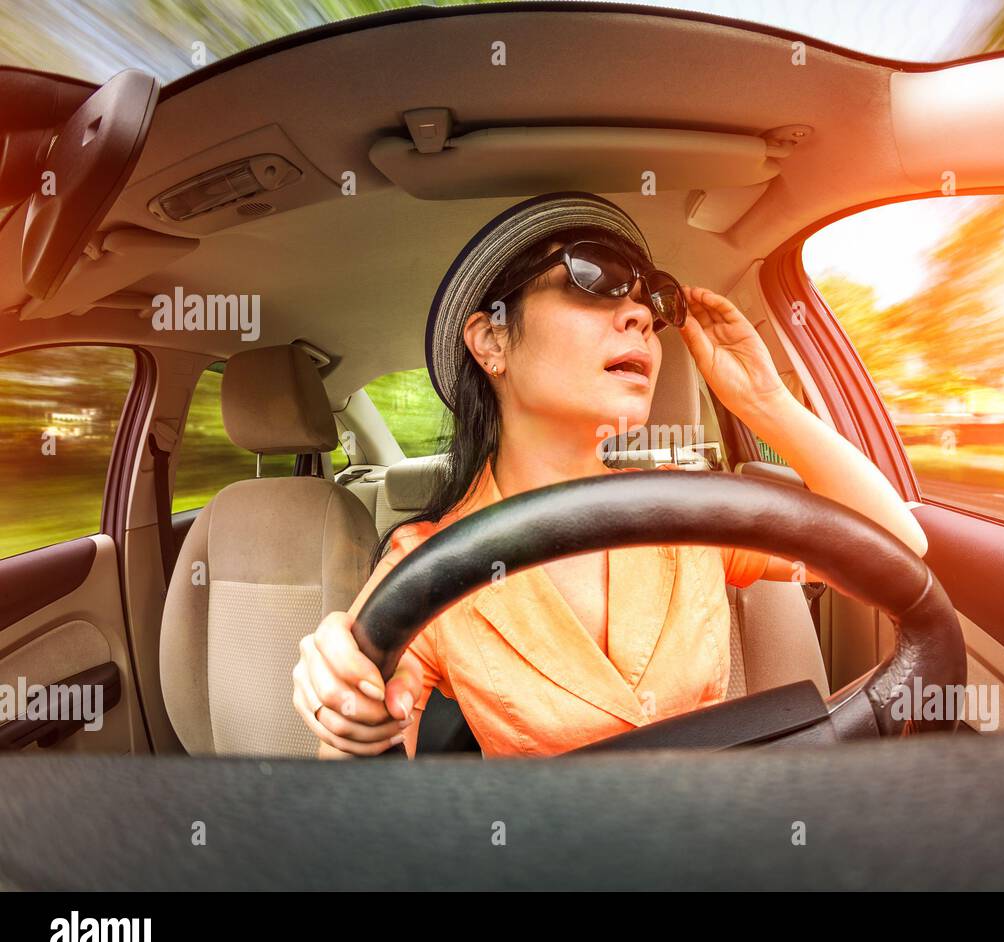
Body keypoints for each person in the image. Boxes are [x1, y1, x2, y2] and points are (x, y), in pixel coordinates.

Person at [292, 191, 926, 758]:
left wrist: (765, 403)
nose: (643, 318)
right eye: (593, 276)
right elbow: (361, 779)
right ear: (490, 341)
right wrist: (349, 708)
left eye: (651, 298)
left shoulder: (694, 506)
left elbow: (899, 549)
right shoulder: (425, 563)